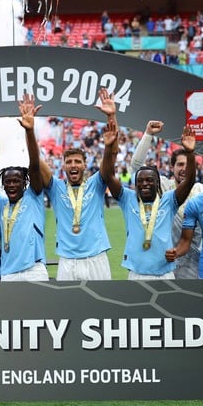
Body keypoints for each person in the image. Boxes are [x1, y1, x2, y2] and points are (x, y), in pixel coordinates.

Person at [102, 119, 197, 279]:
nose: (144, 184)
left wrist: (190, 153)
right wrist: (108, 147)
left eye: (149, 180)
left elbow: (189, 181)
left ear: (157, 183)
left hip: (165, 273)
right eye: (140, 181)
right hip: (136, 274)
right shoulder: (127, 198)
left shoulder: (168, 200)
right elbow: (108, 176)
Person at [0, 94, 48, 281]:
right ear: (3, 185)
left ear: (24, 183)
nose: (12, 184)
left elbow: (35, 166)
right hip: (8, 271)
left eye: (16, 181)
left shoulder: (33, 196)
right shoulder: (0, 204)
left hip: (34, 269)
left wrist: (29, 131)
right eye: (8, 182)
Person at [40, 89, 116, 281]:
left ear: (85, 164)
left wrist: (111, 117)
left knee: (103, 309)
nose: (73, 165)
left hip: (96, 258)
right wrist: (28, 131)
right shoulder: (56, 187)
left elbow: (110, 160)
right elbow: (35, 164)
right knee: (67, 310)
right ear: (63, 165)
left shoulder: (96, 183)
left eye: (77, 161)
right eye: (69, 162)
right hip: (68, 260)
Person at [130, 119, 203, 279]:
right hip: (163, 259)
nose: (183, 169)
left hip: (192, 261)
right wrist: (148, 135)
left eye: (187, 165)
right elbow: (137, 166)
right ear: (172, 167)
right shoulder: (163, 186)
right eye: (180, 165)